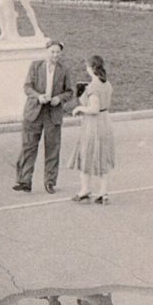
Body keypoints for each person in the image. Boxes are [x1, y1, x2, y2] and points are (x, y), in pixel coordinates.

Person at [13, 39, 75, 194]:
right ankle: (24, 180)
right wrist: (38, 96)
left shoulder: (64, 70)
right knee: (28, 146)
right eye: (52, 52)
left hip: (52, 113)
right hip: (34, 112)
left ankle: (50, 182)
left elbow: (69, 92)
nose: (55, 55)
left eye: (57, 52)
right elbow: (27, 87)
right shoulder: (35, 66)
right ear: (46, 51)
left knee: (52, 148)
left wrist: (59, 99)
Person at [68, 55, 116, 204]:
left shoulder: (93, 87)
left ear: (90, 68)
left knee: (86, 155)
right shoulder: (106, 83)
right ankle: (103, 193)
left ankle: (85, 190)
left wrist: (79, 108)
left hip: (93, 124)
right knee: (102, 157)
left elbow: (94, 108)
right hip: (105, 121)